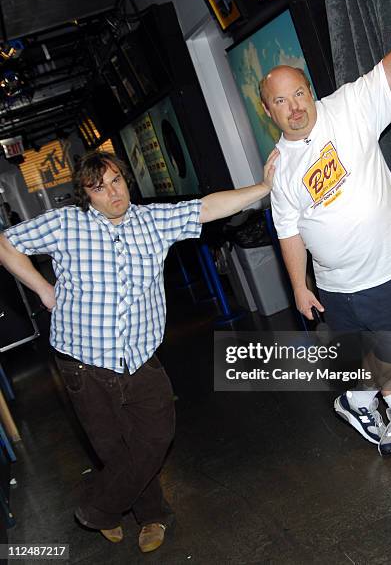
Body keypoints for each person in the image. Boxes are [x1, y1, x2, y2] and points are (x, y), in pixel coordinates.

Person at [0, 149, 278, 552]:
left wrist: (264, 187)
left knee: (155, 437)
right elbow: (5, 243)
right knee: (112, 448)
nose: (112, 193)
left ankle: (100, 507)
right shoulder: (66, 224)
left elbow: (207, 207)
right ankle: (151, 515)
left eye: (116, 181)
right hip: (83, 362)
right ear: (85, 195)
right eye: (99, 188)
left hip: (141, 358)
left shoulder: (153, 221)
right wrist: (43, 289)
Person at [262, 0, 391, 455]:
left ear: (309, 90)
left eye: (299, 93)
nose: (295, 106)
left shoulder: (346, 107)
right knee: (365, 345)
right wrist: (300, 286)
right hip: (334, 284)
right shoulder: (279, 166)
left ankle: (368, 399)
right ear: (270, 111)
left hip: (384, 266)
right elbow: (287, 228)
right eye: (281, 101)